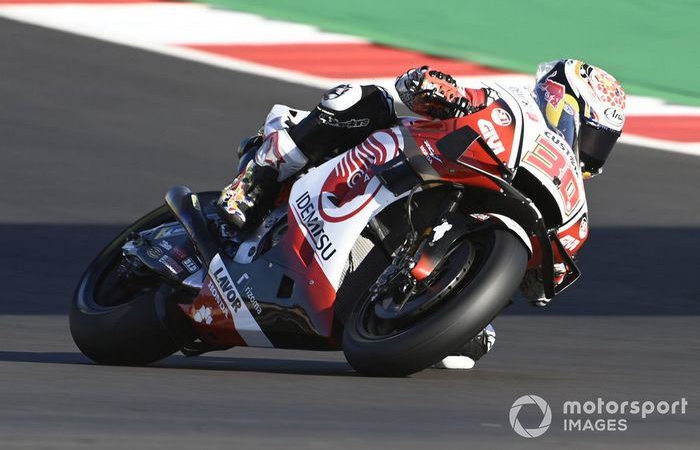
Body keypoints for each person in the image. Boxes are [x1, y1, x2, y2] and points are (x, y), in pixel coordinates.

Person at [218, 59, 626, 369]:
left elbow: (536, 287)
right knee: (355, 99)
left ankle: (415, 299)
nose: (590, 153)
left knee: (471, 347)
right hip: (403, 153)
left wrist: (474, 308)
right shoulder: (515, 103)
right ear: (562, 103)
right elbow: (427, 88)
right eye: (590, 136)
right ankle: (261, 176)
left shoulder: (564, 185)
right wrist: (438, 89)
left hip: (462, 205)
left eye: (601, 145)